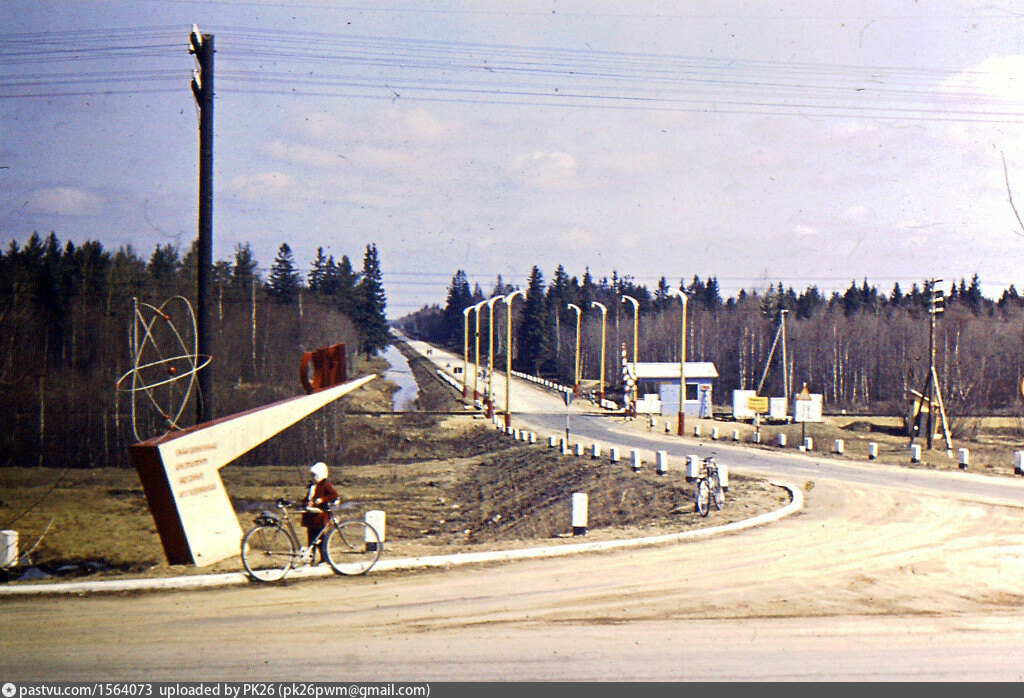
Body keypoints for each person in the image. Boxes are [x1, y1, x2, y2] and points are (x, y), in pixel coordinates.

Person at [301, 461, 339, 563]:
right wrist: (306, 503)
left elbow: (334, 496)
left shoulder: (326, 486)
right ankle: (311, 558)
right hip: (311, 515)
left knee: (321, 538)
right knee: (311, 538)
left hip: (320, 516)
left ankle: (323, 559)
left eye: (314, 475)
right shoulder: (311, 486)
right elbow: (307, 498)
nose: (312, 478)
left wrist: (322, 500)